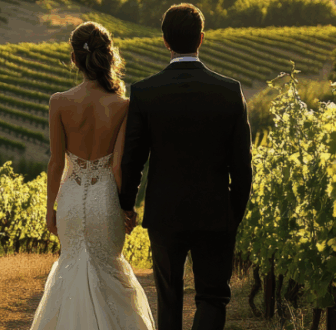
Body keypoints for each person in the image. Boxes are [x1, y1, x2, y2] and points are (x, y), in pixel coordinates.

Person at [118, 3, 253, 330]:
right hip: (215, 212)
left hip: (165, 214)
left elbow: (132, 160)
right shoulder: (229, 91)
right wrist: (232, 214)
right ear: (201, 39)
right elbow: (243, 164)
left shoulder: (145, 92)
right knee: (212, 297)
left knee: (169, 297)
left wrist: (126, 205)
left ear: (165, 41)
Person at [29, 21, 155, 330]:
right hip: (105, 200)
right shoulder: (123, 105)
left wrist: (50, 208)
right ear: (107, 57)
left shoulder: (58, 102)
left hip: (70, 199)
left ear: (74, 58)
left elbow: (56, 163)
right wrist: (127, 207)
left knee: (70, 269)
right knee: (108, 272)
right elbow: (117, 167)